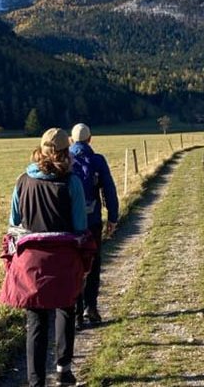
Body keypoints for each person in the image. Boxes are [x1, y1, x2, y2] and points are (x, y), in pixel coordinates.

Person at [4, 128, 90, 387]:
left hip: (32, 264)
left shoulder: (22, 180)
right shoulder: (71, 182)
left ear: (40, 150)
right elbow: (80, 225)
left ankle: (36, 381)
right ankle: (63, 368)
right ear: (66, 151)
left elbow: (13, 223)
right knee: (66, 308)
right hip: (63, 260)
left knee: (36, 321)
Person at [69, 123, 119, 329]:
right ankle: (91, 307)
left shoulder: (65, 160)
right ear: (91, 139)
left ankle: (76, 313)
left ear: (71, 140)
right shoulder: (98, 161)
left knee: (73, 265)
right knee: (94, 262)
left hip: (70, 224)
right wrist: (113, 218)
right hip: (93, 222)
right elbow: (109, 190)